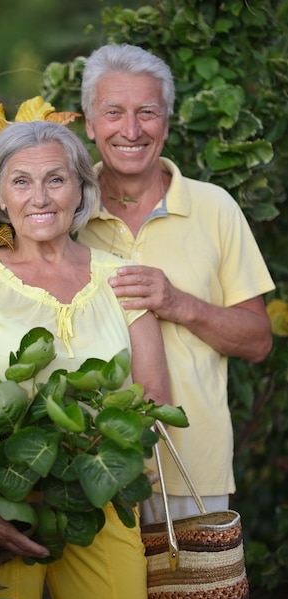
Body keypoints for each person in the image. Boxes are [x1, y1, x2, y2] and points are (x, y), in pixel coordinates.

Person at [0, 120, 172, 599]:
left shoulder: (121, 277)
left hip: (100, 501)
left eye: (55, 179)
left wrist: (93, 464)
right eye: (21, 182)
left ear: (79, 189)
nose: (40, 197)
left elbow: (154, 394)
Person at [76, 43, 275, 521]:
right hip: (84, 464)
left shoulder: (215, 206)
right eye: (113, 112)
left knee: (198, 598)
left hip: (192, 470)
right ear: (88, 122)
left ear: (166, 123)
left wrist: (180, 303)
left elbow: (259, 342)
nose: (131, 130)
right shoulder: (65, 212)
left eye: (147, 112)